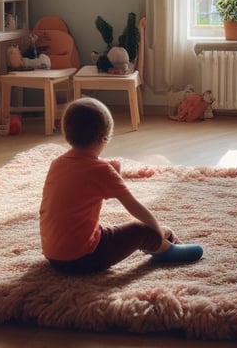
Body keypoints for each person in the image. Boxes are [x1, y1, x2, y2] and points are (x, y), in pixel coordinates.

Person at [39, 97, 203, 272]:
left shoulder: (57, 163)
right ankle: (165, 249)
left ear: (67, 134)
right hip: (84, 259)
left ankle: (166, 238)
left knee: (107, 231)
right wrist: (156, 231)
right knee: (140, 229)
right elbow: (135, 207)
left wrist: (111, 168)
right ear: (104, 138)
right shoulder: (101, 171)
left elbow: (83, 176)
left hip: (53, 256)